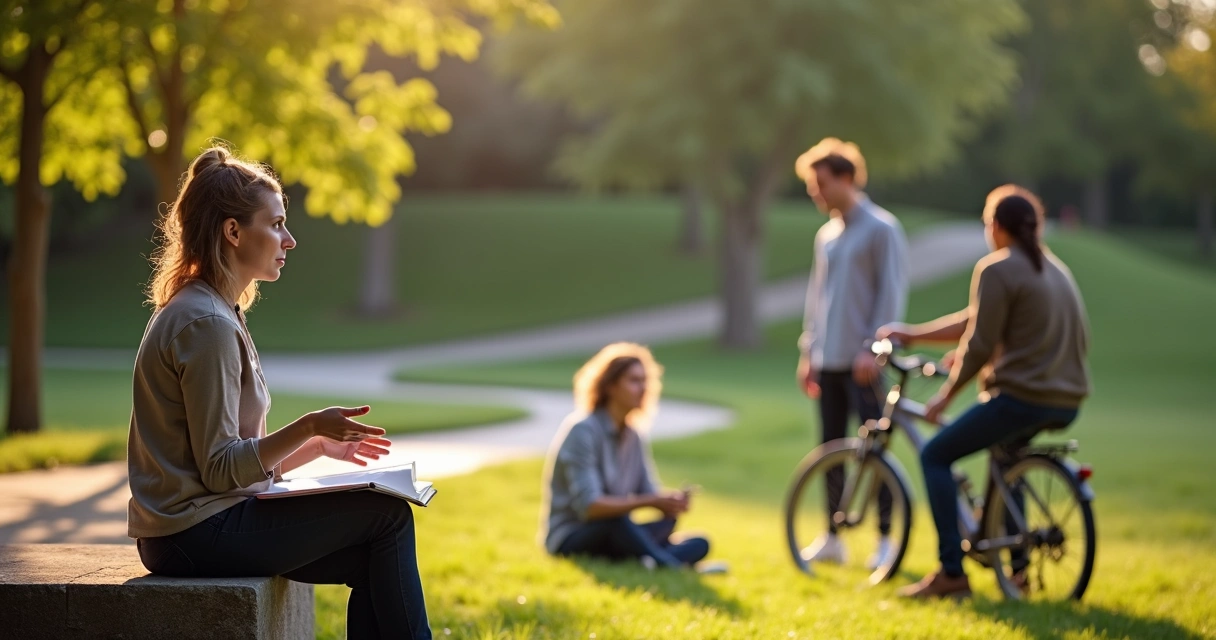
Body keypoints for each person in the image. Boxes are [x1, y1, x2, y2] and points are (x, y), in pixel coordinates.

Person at [127, 147, 431, 639]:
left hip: (200, 524)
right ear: (233, 232)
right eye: (275, 224)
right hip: (192, 533)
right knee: (388, 517)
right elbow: (220, 469)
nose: (289, 239)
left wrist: (316, 447)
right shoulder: (205, 324)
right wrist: (308, 426)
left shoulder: (214, 310)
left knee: (374, 552)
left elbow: (226, 463)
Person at [879, 185, 1090, 599]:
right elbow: (977, 321)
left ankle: (951, 573)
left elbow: (978, 343)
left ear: (995, 225)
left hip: (1020, 399)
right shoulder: (1054, 269)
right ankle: (1018, 571)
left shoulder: (996, 267)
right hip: (1066, 401)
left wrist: (945, 395)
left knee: (935, 455)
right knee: (1006, 458)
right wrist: (913, 334)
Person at [793, 138, 910, 569]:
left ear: (846, 178)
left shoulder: (882, 228)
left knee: (874, 452)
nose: (816, 193)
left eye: (821, 184)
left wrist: (871, 350)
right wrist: (809, 351)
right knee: (830, 450)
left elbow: (891, 293)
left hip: (863, 364)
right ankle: (832, 535)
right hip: (828, 360)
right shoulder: (826, 235)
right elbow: (817, 297)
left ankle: (884, 538)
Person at [540, 343, 712, 570]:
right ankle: (667, 564)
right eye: (634, 381)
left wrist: (668, 503)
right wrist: (650, 501)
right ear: (610, 386)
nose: (643, 389)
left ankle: (648, 558)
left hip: (618, 531)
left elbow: (648, 491)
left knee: (699, 542)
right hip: (574, 535)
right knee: (616, 520)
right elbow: (590, 507)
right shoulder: (582, 430)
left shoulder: (634, 435)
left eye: (645, 381)